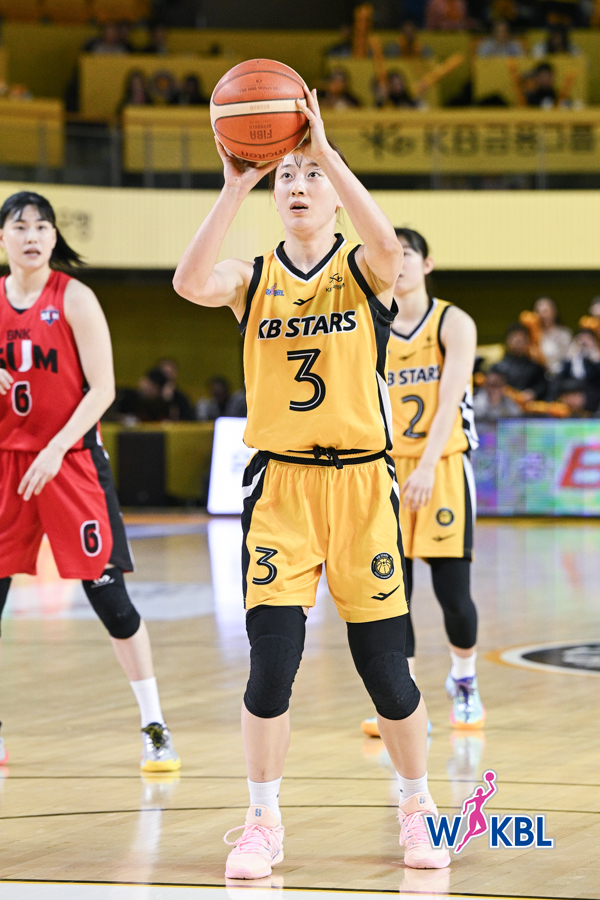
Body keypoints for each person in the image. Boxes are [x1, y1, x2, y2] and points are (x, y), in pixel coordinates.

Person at [173, 90, 449, 874]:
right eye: (286, 175)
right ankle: (262, 820)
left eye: (310, 175)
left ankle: (418, 805)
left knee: (386, 671)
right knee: (271, 667)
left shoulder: (362, 269)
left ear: (332, 191)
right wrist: (235, 185)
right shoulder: (252, 277)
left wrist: (326, 149)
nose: (296, 184)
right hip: (281, 492)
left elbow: (388, 246)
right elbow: (189, 282)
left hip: (361, 489)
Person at [0, 191, 179, 772]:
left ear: (54, 238)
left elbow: (102, 389)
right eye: (19, 225)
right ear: (2, 238)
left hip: (70, 461)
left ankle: (154, 725)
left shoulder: (74, 298)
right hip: (6, 465)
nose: (32, 235)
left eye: (42, 226)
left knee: (112, 602)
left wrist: (55, 449)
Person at [360, 229, 484, 739]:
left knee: (453, 595)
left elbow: (451, 399)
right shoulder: (372, 323)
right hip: (388, 469)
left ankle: (465, 680)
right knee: (395, 594)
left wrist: (428, 466)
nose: (402, 263)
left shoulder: (453, 322)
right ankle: (404, 701)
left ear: (427, 264)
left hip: (444, 466)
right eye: (394, 255)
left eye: (409, 253)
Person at [494, 323, 548, 399]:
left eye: (521, 340)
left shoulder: (536, 368)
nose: (518, 343)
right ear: (507, 342)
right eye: (514, 339)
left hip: (528, 404)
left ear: (527, 342)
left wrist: (533, 392)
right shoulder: (498, 368)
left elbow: (543, 386)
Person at [531, 296, 571, 374]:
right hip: (536, 374)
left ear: (554, 311)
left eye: (545, 311)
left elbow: (568, 358)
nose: (542, 315)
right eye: (538, 312)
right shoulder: (531, 335)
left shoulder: (564, 334)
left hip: (559, 374)